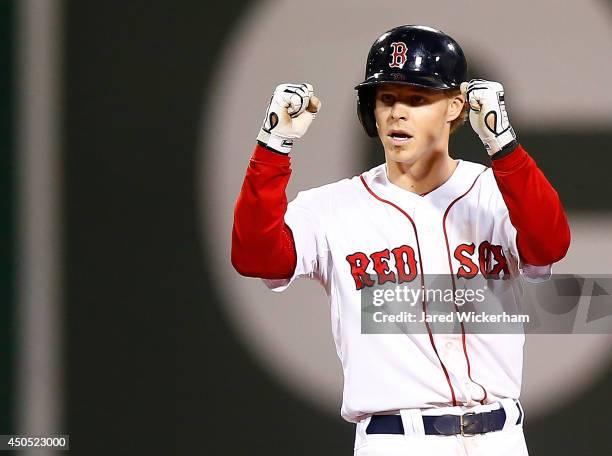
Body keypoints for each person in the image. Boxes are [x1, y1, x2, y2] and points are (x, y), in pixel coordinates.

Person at [231, 25, 570, 456]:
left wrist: (503, 146)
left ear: (455, 106)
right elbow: (256, 257)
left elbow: (549, 245)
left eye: (417, 99)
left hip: (500, 439)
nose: (397, 113)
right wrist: (272, 147)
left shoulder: (498, 192)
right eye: (386, 98)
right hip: (397, 442)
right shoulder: (331, 207)